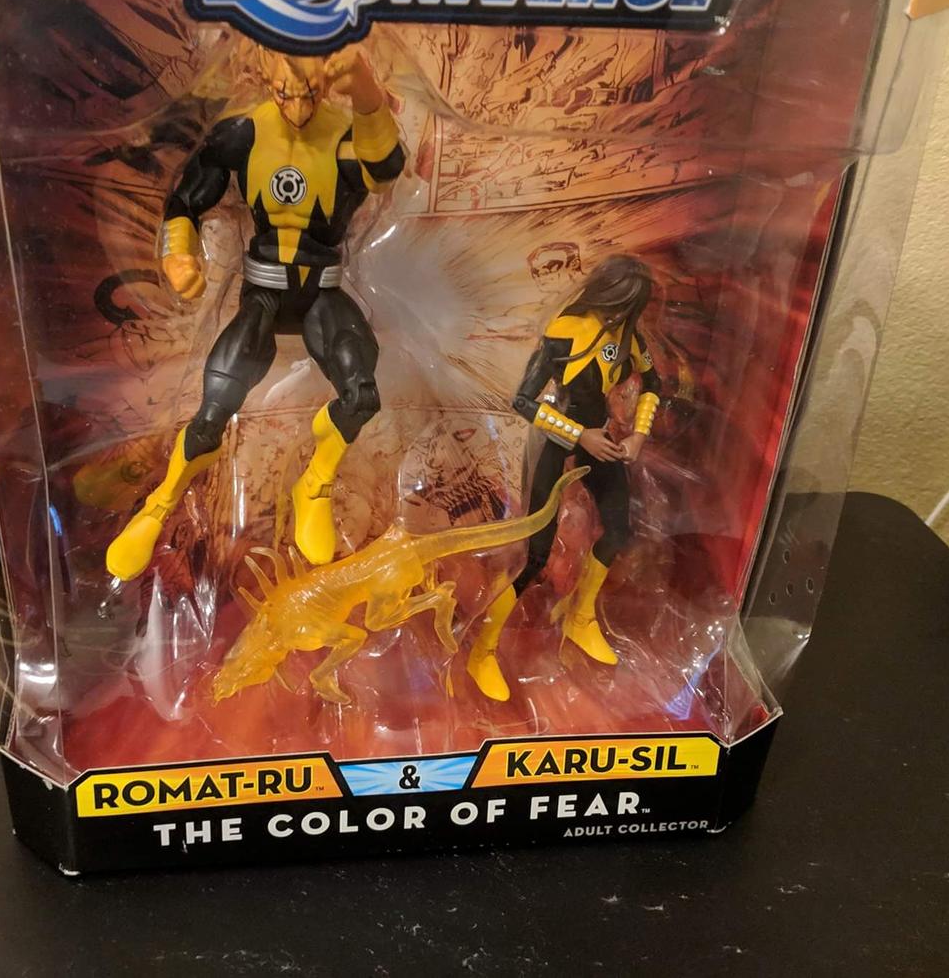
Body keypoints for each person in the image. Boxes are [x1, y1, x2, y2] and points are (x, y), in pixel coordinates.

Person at [106, 48, 404, 581]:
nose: (298, 105)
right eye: (286, 92)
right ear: (265, 73)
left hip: (321, 293)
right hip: (263, 294)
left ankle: (314, 484)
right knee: (211, 415)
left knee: (362, 394)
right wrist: (178, 254)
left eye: (309, 92)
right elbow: (185, 201)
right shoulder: (242, 133)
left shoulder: (345, 134)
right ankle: (159, 505)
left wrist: (364, 86)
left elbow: (385, 169)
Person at [466, 254, 662, 701]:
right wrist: (578, 435)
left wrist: (637, 436)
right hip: (555, 439)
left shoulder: (629, 336)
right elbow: (523, 401)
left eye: (629, 308)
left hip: (602, 438)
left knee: (618, 529)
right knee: (533, 555)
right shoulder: (565, 329)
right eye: (617, 304)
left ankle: (580, 616)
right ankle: (482, 650)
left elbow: (653, 384)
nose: (619, 315)